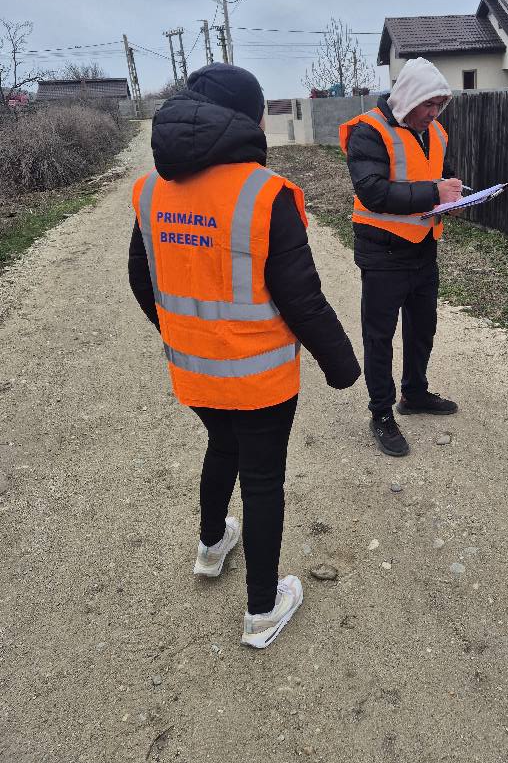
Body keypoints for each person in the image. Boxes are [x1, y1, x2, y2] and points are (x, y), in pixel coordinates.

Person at [128, 62, 360, 649]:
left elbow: (141, 277)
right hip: (260, 380)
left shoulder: (151, 190)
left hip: (193, 372)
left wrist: (180, 333)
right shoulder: (265, 194)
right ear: (249, 119)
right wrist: (342, 365)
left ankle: (211, 548)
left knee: (221, 446)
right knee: (261, 480)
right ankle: (261, 610)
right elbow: (302, 299)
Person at [339, 57, 462, 458]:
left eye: (440, 105)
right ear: (409, 97)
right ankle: (381, 413)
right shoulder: (368, 131)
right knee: (380, 337)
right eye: (429, 104)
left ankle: (414, 393)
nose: (434, 112)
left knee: (423, 327)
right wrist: (434, 194)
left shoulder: (435, 132)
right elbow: (373, 191)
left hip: (423, 247)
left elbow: (439, 177)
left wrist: (452, 198)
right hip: (383, 253)